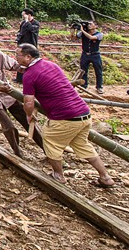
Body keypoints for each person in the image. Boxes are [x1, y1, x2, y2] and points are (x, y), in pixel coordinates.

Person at [16, 43, 115, 187]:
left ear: (27, 57)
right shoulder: (51, 65)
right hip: (83, 114)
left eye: (17, 54)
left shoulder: (30, 74)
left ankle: (58, 176)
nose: (16, 57)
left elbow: (28, 102)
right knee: (83, 146)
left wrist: (29, 115)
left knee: (51, 141)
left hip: (65, 117)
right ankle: (105, 177)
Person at [77, 19, 105, 94]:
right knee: (83, 70)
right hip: (85, 54)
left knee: (98, 71)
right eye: (88, 24)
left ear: (95, 26)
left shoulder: (99, 34)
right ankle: (83, 86)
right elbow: (73, 38)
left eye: (90, 24)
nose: (88, 25)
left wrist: (83, 31)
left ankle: (99, 87)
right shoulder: (82, 33)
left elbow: (92, 38)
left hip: (95, 54)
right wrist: (73, 29)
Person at [14, 8, 39, 84]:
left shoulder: (36, 23)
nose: (23, 17)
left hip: (31, 45)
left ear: (29, 15)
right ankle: (19, 79)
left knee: (30, 62)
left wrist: (27, 21)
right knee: (21, 60)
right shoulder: (23, 23)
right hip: (22, 44)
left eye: (24, 15)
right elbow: (20, 32)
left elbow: (32, 29)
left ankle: (29, 79)